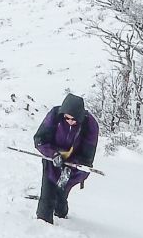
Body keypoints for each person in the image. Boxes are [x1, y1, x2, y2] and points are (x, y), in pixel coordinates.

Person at [33, 93, 99, 224]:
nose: (70, 121)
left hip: (74, 165)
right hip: (52, 159)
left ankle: (61, 215)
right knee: (47, 192)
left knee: (61, 192)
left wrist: (73, 164)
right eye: (67, 118)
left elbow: (88, 155)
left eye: (74, 120)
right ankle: (43, 224)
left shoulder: (90, 125)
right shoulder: (55, 115)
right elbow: (40, 140)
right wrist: (53, 154)